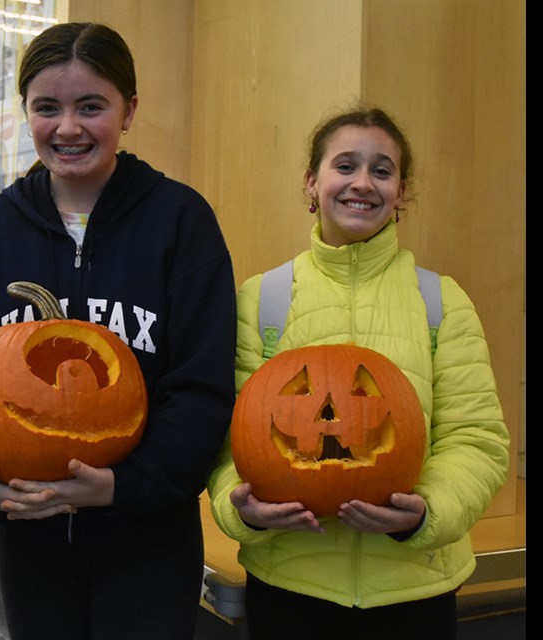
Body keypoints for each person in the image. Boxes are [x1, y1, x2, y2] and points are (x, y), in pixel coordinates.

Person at [0, 22, 236, 640]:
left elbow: (201, 388)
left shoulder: (181, 221)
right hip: (29, 533)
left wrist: (122, 486)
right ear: (27, 114)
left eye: (91, 106)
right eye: (48, 108)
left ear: (129, 110)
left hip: (148, 528)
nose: (68, 128)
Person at [206, 107, 510, 640]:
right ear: (312, 181)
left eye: (382, 170)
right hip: (290, 585)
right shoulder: (262, 300)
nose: (362, 183)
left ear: (401, 190)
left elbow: (476, 439)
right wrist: (245, 512)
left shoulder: (441, 301)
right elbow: (229, 440)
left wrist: (425, 516)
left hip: (414, 589)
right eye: (345, 166)